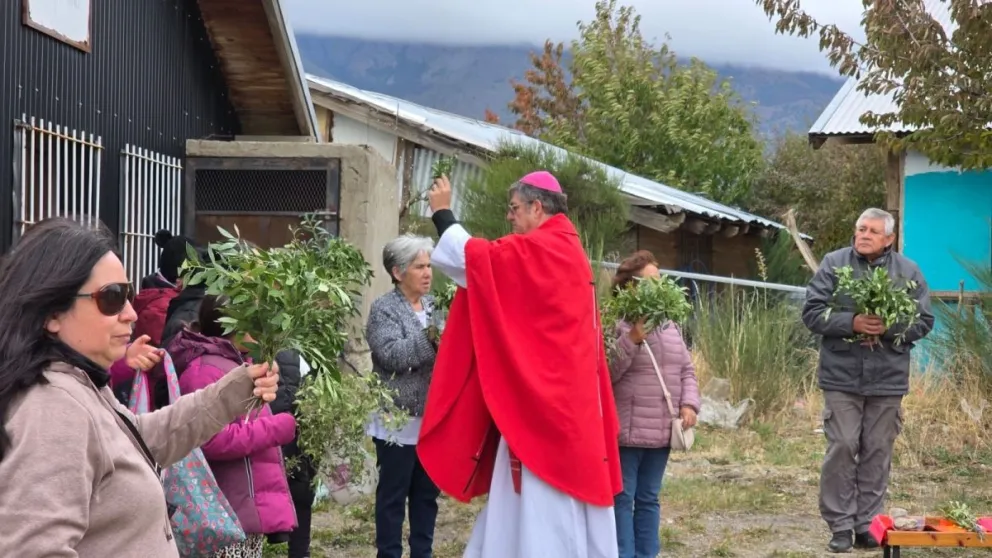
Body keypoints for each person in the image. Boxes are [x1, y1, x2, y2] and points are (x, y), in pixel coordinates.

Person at [0, 217, 281, 558]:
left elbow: (142, 439)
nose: (131, 313)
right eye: (112, 297)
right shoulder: (55, 409)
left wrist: (235, 390)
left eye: (128, 294)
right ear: (52, 312)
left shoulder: (79, 384)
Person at [417, 171, 623, 558]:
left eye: (514, 209)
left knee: (545, 500)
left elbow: (474, 261)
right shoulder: (565, 248)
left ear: (536, 206)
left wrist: (443, 213)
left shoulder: (546, 249)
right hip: (562, 405)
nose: (509, 218)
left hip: (546, 411)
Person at [801, 208, 934, 553]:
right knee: (843, 445)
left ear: (889, 238)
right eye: (861, 228)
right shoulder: (834, 264)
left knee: (877, 450)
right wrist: (852, 322)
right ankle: (840, 525)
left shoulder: (908, 272)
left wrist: (890, 329)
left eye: (873, 231)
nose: (864, 235)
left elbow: (924, 321)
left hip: (887, 378)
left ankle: (867, 525)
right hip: (842, 376)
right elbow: (812, 312)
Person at [170, 295, 298, 558]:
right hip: (224, 513)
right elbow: (211, 439)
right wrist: (277, 428)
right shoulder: (204, 370)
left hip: (241, 511)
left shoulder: (239, 364)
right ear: (231, 324)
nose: (263, 330)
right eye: (256, 321)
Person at [607, 250, 700, 558]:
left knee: (649, 498)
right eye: (650, 281)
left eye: (660, 281)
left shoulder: (669, 325)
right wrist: (631, 339)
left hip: (661, 431)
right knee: (623, 498)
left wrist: (689, 405)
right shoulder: (617, 325)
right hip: (628, 433)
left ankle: (647, 554)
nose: (658, 288)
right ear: (630, 286)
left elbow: (686, 369)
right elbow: (607, 373)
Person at [365, 233, 441, 558]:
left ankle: (422, 553)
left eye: (429, 266)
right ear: (398, 272)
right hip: (396, 420)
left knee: (426, 495)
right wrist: (433, 336)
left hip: (432, 419)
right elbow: (392, 356)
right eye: (419, 266)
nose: (427, 273)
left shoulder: (435, 306)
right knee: (393, 496)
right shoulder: (384, 309)